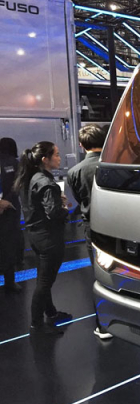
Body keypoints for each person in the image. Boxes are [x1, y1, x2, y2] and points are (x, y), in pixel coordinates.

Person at [13, 141, 71, 335]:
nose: (59, 158)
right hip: (49, 238)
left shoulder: (29, 177)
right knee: (45, 282)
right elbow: (54, 213)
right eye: (56, 155)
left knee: (42, 278)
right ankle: (36, 325)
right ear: (45, 159)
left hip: (35, 235)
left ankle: (51, 312)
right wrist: (64, 208)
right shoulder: (46, 182)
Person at [67, 125, 113, 340]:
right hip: (117, 227)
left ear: (81, 145)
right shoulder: (112, 167)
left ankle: (103, 326)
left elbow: (78, 200)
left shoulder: (74, 172)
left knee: (98, 275)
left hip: (92, 227)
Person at [0, 138, 22, 292]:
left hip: (8, 207)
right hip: (10, 208)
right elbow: (17, 186)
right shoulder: (15, 163)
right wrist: (5, 201)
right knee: (9, 244)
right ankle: (10, 281)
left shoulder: (13, 163)